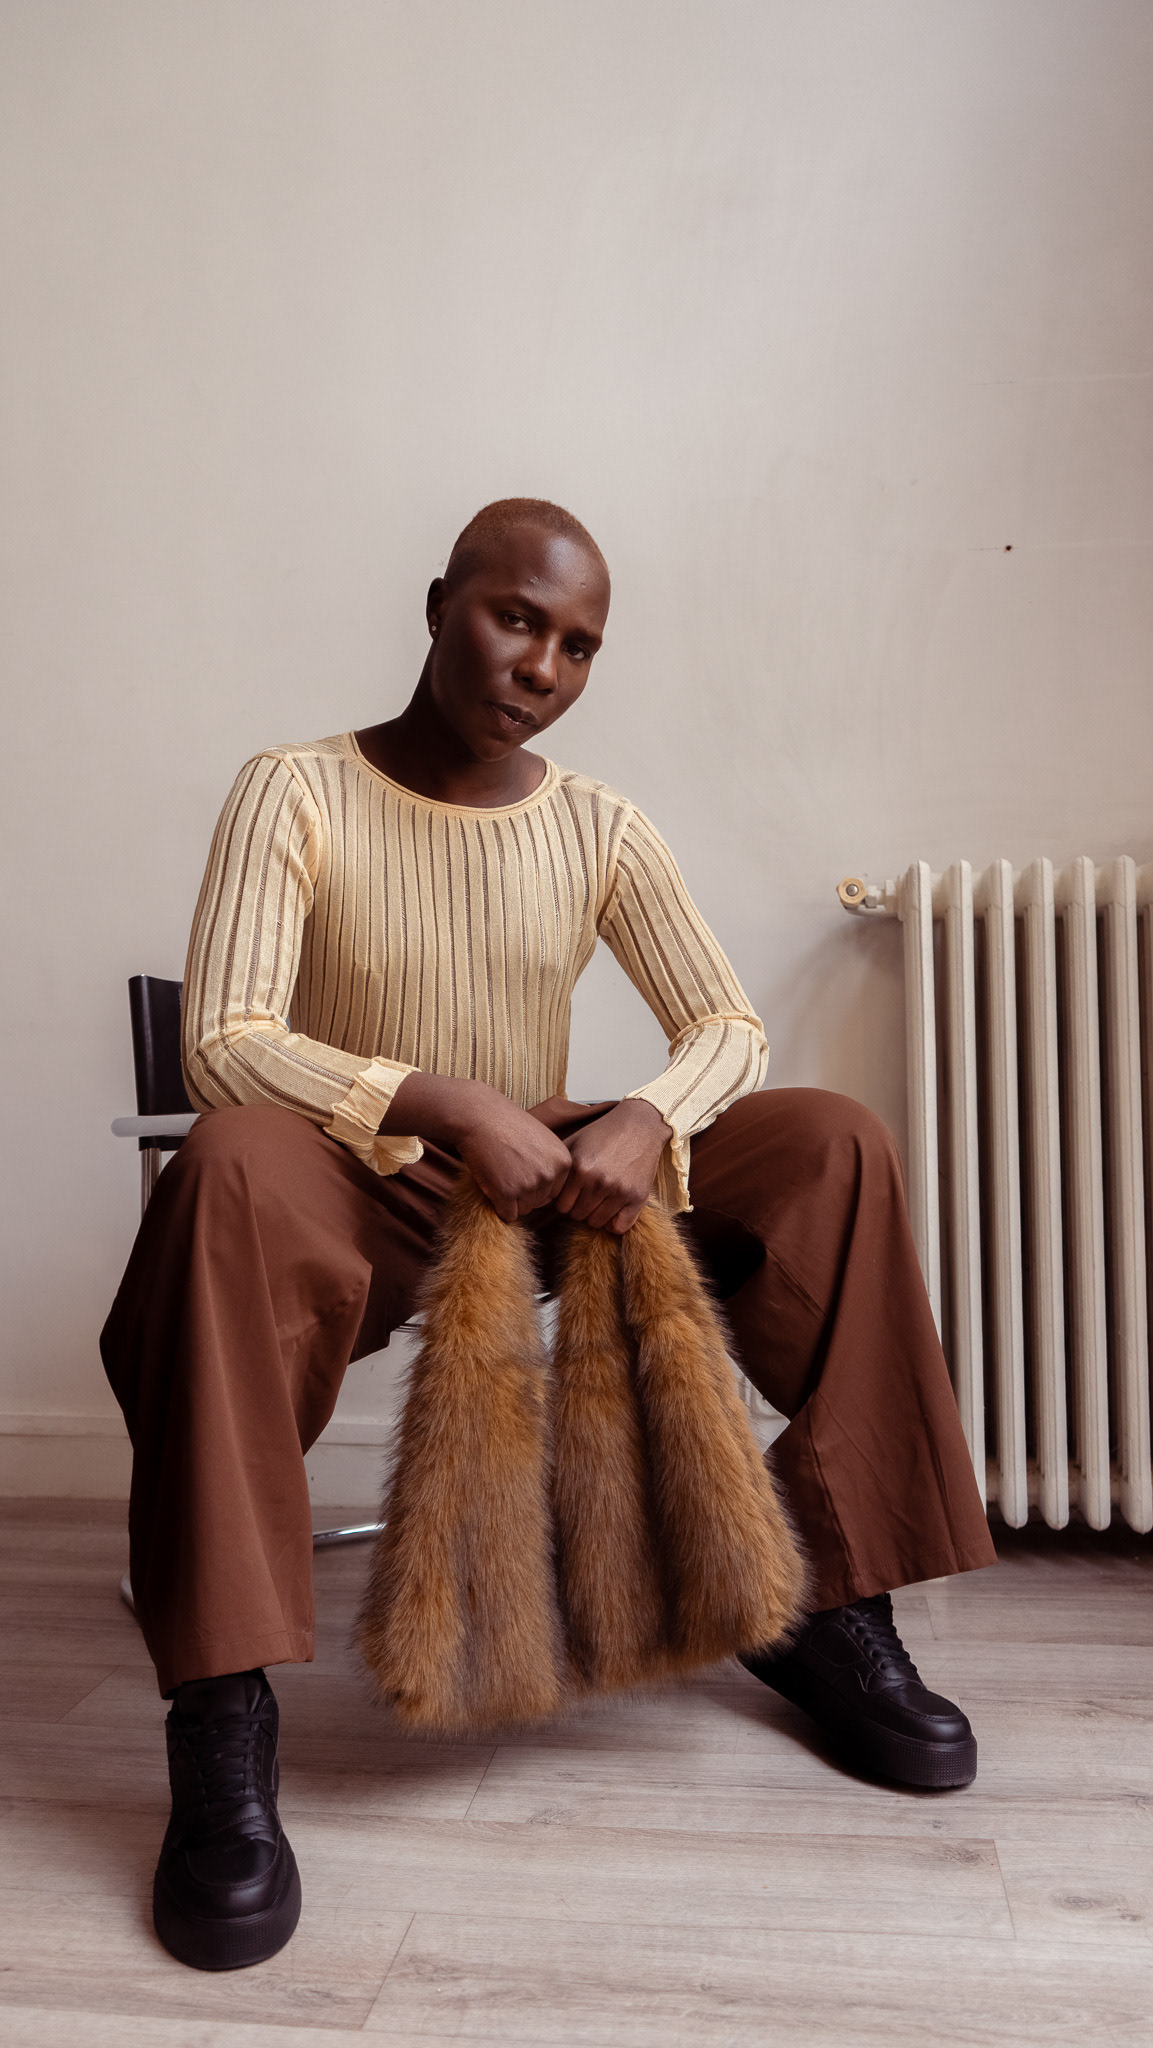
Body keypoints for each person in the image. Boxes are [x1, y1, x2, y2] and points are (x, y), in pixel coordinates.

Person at [102, 498, 996, 1972]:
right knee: (227, 1156)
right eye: (516, 618)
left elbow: (729, 1025)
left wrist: (643, 1119)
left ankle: (823, 1603)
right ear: (438, 602)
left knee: (833, 1140)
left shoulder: (598, 824)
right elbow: (227, 1040)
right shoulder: (294, 789)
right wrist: (446, 1101)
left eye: (578, 645)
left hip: (551, 1187)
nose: (543, 666)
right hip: (368, 1177)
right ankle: (220, 1711)